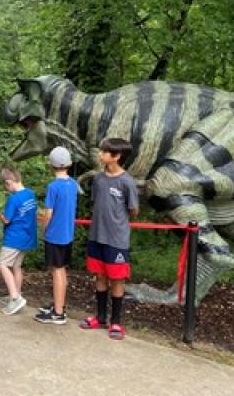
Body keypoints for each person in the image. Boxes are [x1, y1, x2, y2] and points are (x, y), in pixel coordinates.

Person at [79, 138, 139, 340]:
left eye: (104, 152)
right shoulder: (98, 179)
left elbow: (133, 210)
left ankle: (116, 322)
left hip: (117, 240)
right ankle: (101, 317)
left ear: (116, 156)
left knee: (117, 278)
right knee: (100, 276)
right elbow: (97, 202)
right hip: (97, 236)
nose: (100, 154)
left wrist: (118, 223)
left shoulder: (127, 182)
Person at [34, 147, 78, 325]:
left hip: (55, 235)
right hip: (67, 234)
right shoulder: (73, 184)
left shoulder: (53, 187)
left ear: (51, 165)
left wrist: (43, 227)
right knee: (60, 270)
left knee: (57, 271)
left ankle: (58, 313)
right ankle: (60, 305)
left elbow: (48, 213)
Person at [0, 165, 37, 316]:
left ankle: (15, 298)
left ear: (9, 182)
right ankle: (17, 293)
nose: (7, 190)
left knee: (2, 264)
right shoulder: (30, 194)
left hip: (14, 238)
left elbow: (7, 220)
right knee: (17, 266)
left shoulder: (13, 199)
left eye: (6, 187)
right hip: (27, 237)